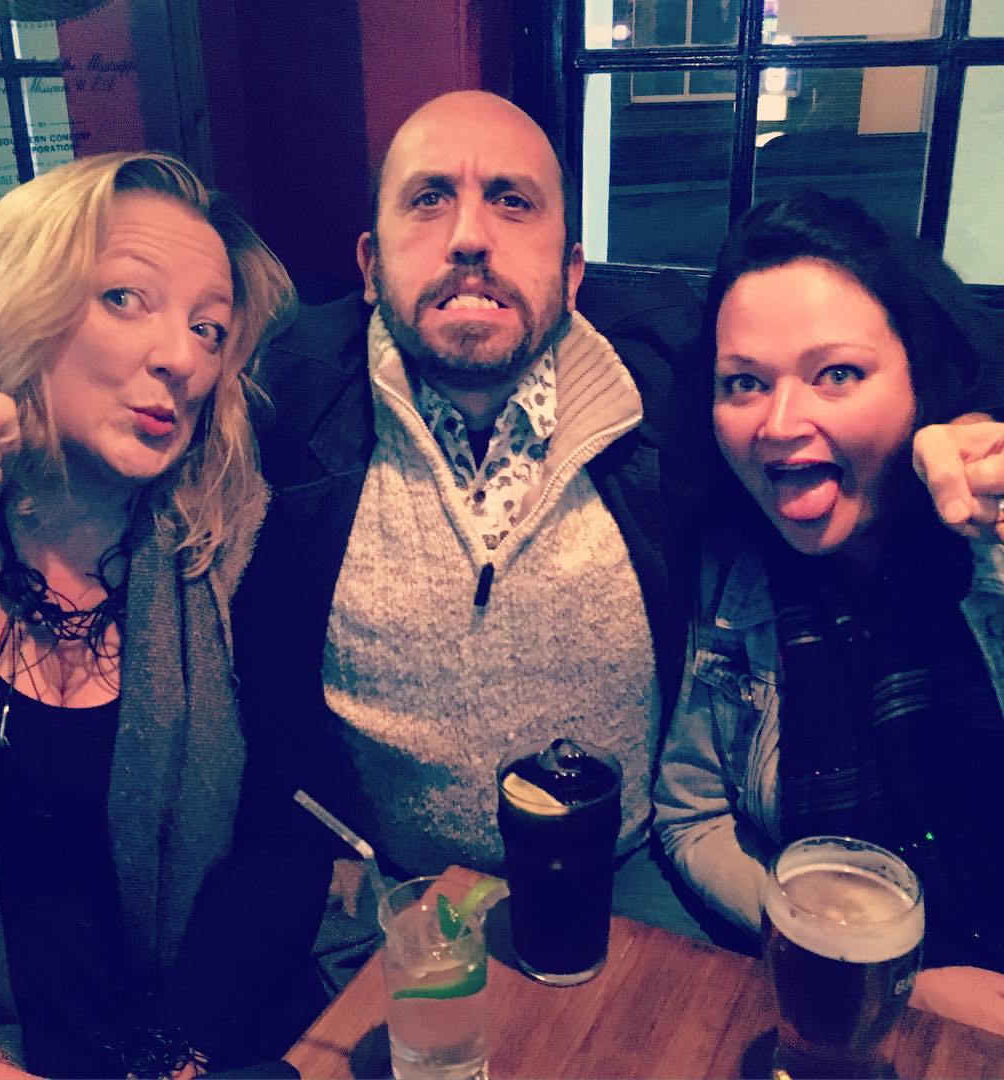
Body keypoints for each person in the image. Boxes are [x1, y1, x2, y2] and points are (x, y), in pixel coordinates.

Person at [231, 91, 713, 977]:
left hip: (629, 879)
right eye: (428, 199)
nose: (468, 237)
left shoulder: (672, 392)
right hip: (393, 893)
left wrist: (954, 434)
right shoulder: (281, 400)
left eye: (511, 200)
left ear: (572, 273)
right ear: (369, 265)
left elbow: (882, 337)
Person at [0, 152, 330, 1079]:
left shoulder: (241, 542)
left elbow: (287, 831)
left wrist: (180, 1054)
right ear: (24, 307)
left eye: (208, 328)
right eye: (124, 299)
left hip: (204, 1045)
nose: (181, 358)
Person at [653, 190, 1004, 1034]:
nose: (779, 423)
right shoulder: (732, 567)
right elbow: (692, 815)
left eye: (837, 374)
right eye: (744, 383)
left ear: (919, 373)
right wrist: (869, 959)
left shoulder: (986, 538)